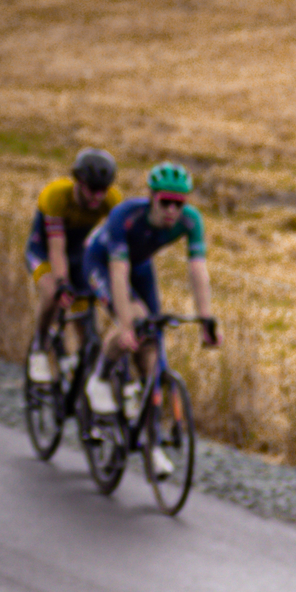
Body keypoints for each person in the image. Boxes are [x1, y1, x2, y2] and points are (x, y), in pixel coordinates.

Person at [80, 162, 221, 417]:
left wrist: (206, 319)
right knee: (135, 317)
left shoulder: (190, 221)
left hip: (140, 266)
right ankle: (99, 379)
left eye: (178, 204)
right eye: (165, 202)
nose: (171, 210)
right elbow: (118, 273)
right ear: (151, 198)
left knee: (153, 338)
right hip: (101, 261)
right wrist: (124, 325)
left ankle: (147, 432)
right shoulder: (125, 216)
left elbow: (198, 270)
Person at [24, 148, 120, 358]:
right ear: (78, 182)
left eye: (103, 189)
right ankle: (39, 345)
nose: (98, 196)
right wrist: (61, 282)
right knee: (52, 293)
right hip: (44, 250)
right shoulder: (56, 195)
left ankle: (80, 368)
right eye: (92, 189)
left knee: (83, 315)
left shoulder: (111, 200)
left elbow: (119, 245)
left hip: (77, 255)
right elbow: (56, 249)